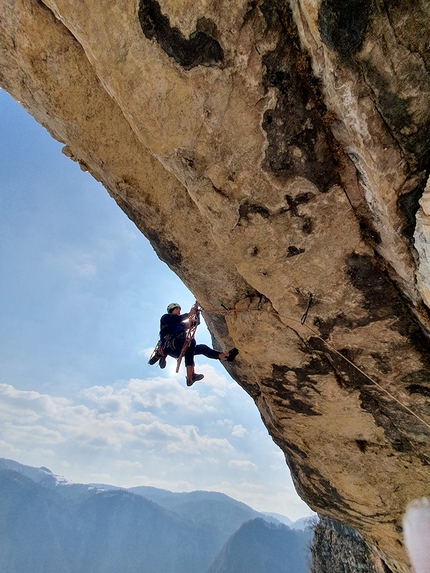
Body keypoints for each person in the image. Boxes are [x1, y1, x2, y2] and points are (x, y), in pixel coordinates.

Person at [152, 303, 238, 386]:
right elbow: (172, 320)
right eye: (177, 309)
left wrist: (196, 312)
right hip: (170, 345)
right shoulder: (166, 317)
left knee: (202, 348)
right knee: (190, 342)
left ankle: (226, 356)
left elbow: (195, 323)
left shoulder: (181, 325)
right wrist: (189, 314)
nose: (179, 311)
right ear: (171, 310)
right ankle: (190, 375)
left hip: (178, 350)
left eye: (179, 309)